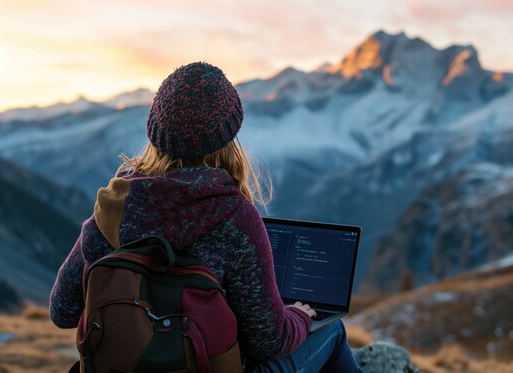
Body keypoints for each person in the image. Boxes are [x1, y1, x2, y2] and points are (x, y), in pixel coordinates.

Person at [49, 62, 362, 372]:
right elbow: (268, 341)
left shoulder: (114, 204)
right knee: (332, 331)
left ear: (157, 133)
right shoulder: (233, 217)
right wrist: (299, 316)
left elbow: (62, 311)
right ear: (228, 139)